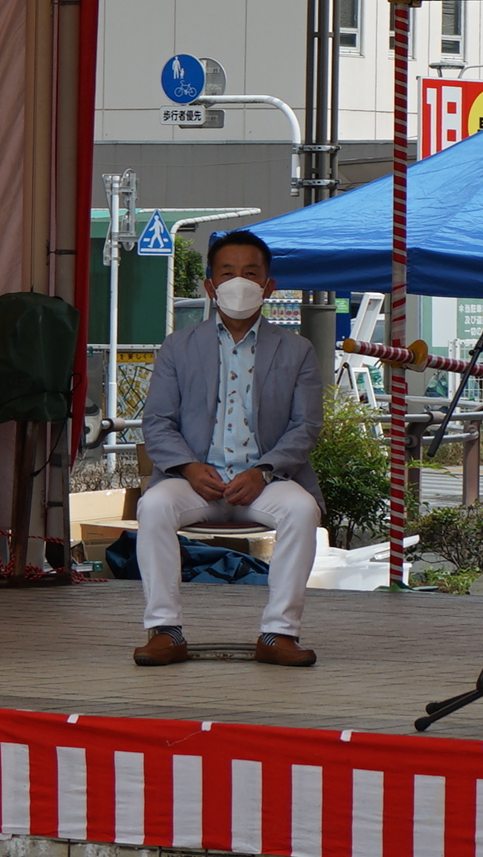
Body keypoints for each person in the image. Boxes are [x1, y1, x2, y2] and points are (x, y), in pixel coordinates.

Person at [133, 229, 325, 666]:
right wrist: (187, 467)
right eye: (228, 272)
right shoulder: (177, 347)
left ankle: (279, 634)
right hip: (195, 480)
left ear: (268, 286)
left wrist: (263, 471)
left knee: (301, 510)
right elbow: (157, 421)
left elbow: (306, 425)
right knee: (155, 506)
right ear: (210, 286)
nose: (239, 282)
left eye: (251, 273)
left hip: (267, 480)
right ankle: (164, 630)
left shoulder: (296, 350)